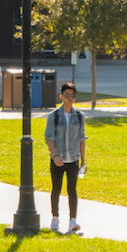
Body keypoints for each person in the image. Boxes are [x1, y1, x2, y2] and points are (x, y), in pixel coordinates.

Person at [44, 82, 87, 233]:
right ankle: (55, 218)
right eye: (67, 95)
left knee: (72, 190)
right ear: (61, 96)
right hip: (58, 159)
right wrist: (54, 155)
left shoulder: (79, 117)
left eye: (73, 96)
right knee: (56, 189)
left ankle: (73, 220)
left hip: (73, 159)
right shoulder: (54, 116)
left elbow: (82, 139)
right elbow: (48, 137)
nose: (70, 98)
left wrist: (83, 161)